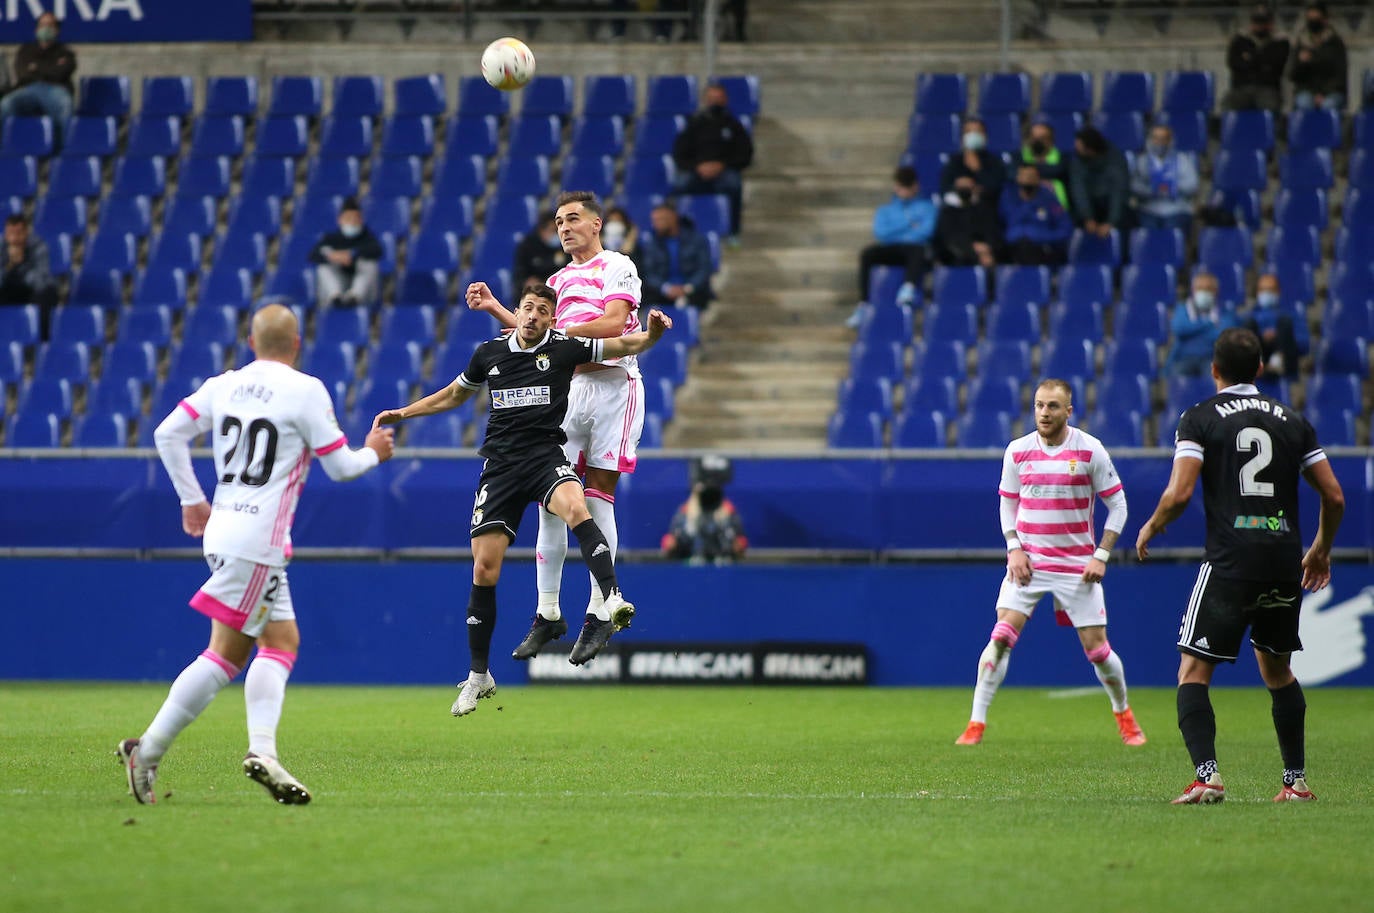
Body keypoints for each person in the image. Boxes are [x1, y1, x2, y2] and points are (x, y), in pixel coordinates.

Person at [118, 304, 396, 806]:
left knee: (279, 641)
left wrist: (191, 498)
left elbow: (167, 433)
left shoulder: (223, 384)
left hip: (225, 527)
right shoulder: (305, 390)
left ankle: (252, 750)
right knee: (226, 654)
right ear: (296, 344)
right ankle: (156, 750)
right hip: (258, 540)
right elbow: (342, 469)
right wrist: (375, 449)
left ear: (250, 342)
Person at [373, 286, 673, 713]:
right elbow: (455, 393)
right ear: (517, 313)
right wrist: (403, 414)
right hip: (500, 468)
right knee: (484, 566)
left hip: (545, 457)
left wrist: (653, 334)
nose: (534, 316)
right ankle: (479, 675)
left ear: (552, 320)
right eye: (528, 308)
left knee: (577, 507)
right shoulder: (489, 353)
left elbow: (628, 342)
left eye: (543, 311)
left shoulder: (566, 347)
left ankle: (611, 598)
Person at [1136, 327, 1345, 804]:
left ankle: (1207, 776)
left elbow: (1180, 492)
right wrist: (1321, 549)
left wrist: (1153, 524)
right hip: (1282, 560)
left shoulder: (1200, 418)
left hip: (1231, 560)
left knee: (1192, 671)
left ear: (1214, 370)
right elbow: (1333, 496)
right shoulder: (1292, 420)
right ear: (1258, 369)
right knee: (1278, 671)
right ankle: (1295, 783)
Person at [466, 190, 646, 664]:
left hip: (613, 386)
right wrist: (498, 312)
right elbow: (536, 343)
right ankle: (548, 611)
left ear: (596, 224)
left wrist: (561, 341)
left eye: (572, 219)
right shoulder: (556, 280)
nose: (564, 227)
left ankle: (599, 610)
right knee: (554, 500)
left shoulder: (617, 266)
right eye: (558, 221)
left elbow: (613, 324)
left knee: (597, 494)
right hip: (569, 390)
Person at [955, 378, 1144, 748]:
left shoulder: (1090, 450)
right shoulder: (1018, 451)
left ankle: (1124, 714)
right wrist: (1014, 548)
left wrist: (1101, 555)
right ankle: (976, 724)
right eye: (1039, 405)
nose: (1044, 412)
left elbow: (1118, 505)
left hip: (1076, 566)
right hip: (1029, 564)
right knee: (1000, 638)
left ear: (1069, 411)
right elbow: (1007, 502)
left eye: (1053, 406)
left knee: (1098, 652)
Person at [672, 82, 754, 242]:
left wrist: (721, 165)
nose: (715, 102)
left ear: (725, 100)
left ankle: (733, 232)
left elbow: (745, 155)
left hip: (724, 172)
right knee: (679, 184)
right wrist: (698, 166)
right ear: (705, 100)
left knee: (734, 184)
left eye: (719, 98)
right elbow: (680, 154)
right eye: (712, 98)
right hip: (696, 172)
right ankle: (681, 231)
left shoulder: (734, 125)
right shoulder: (694, 124)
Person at [855, 165, 936, 309]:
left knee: (918, 250)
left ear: (915, 186)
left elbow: (927, 232)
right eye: (901, 186)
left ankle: (908, 289)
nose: (903, 191)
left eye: (907, 186)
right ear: (895, 186)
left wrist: (896, 234)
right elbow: (881, 234)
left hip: (914, 250)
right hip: (892, 249)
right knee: (867, 254)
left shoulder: (927, 207)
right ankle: (864, 303)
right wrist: (910, 225)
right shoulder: (885, 210)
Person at [0, 13, 75, 150]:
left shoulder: (65, 52)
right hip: (28, 90)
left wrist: (35, 68)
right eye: (42, 25)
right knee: (5, 104)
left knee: (65, 104)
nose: (45, 28)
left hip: (55, 90)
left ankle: (61, 153)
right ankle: (5, 151)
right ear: (36, 29)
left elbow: (62, 73)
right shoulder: (25, 50)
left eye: (50, 25)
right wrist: (51, 68)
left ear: (57, 30)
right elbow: (23, 73)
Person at [660, 454, 748, 565]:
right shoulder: (685, 512)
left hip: (722, 564)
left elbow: (740, 546)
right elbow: (670, 544)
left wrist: (727, 527)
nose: (707, 498)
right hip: (692, 564)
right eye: (703, 493)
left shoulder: (728, 511)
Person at [309, 198, 382, 309]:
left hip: (363, 292)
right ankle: (335, 297)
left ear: (361, 220)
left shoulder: (368, 238)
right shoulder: (331, 239)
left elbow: (378, 251)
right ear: (340, 220)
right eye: (348, 218)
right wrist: (334, 256)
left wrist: (352, 255)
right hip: (338, 287)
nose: (352, 222)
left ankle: (354, 297)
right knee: (323, 265)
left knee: (370, 263)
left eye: (355, 218)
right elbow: (313, 255)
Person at [639, 202, 713, 308]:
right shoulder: (651, 243)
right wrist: (666, 288)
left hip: (692, 292)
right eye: (654, 221)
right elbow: (648, 273)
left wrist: (687, 288)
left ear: (673, 218)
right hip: (661, 293)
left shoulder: (696, 240)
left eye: (660, 220)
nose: (656, 224)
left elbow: (704, 269)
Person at [999, 163, 1072, 267]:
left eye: (1030, 177)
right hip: (1012, 248)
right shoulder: (1008, 197)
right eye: (1023, 176)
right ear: (1017, 178)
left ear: (1038, 178)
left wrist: (1040, 236)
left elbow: (1066, 228)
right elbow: (1001, 224)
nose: (1027, 180)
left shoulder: (1049, 199)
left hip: (1043, 248)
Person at [1165, 272, 1237, 377]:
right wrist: (1209, 323)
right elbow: (1179, 329)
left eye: (1208, 289)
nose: (1203, 292)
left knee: (1217, 378)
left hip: (1212, 359)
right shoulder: (1182, 308)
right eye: (1200, 288)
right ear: (1193, 291)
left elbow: (1224, 336)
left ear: (1216, 291)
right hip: (1183, 358)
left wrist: (1191, 332)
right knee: (1178, 379)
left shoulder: (1225, 311)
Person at [1131, 124, 1200, 233]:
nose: (1159, 142)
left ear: (1169, 141)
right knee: (1146, 231)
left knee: (1172, 227)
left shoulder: (1182, 160)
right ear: (1150, 139)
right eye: (1156, 138)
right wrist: (1152, 190)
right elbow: (1134, 186)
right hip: (1148, 209)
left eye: (1163, 138)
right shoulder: (1142, 161)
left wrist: (1173, 186)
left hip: (1177, 208)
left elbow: (1193, 184)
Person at [1240, 272, 1307, 381]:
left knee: (1284, 323)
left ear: (1278, 292)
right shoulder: (1249, 316)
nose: (1267, 293)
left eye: (1271, 290)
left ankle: (1277, 361)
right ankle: (1257, 364)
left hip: (1285, 362)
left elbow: (1304, 345)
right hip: (1258, 356)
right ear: (1257, 292)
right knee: (1249, 326)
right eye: (1263, 290)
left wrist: (1278, 337)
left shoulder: (1291, 315)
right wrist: (1263, 337)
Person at [1067, 126, 1131, 239]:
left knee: (1125, 217)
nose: (1075, 148)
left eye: (1079, 147)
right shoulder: (1077, 160)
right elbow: (1079, 190)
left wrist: (1111, 222)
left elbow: (1118, 192)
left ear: (1090, 150)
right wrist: (1087, 217)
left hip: (1110, 206)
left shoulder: (1116, 159)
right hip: (1090, 206)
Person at [1224, 5, 1290, 113]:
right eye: (1257, 22)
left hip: (1268, 89)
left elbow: (1277, 67)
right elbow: (1233, 63)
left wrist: (1249, 59)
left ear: (1270, 23)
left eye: (1263, 22)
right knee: (1227, 106)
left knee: (1269, 106)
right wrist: (1262, 62)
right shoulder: (1240, 40)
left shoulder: (1280, 42)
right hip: (1242, 88)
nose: (1260, 26)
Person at [1288, 2, 1347, 111]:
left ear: (1324, 19)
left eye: (1316, 19)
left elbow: (1340, 75)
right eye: (1310, 19)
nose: (1313, 23)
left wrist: (1322, 94)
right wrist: (1302, 63)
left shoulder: (1335, 43)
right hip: (1307, 91)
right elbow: (1292, 75)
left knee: (1328, 106)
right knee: (1304, 103)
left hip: (1331, 92)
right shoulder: (1301, 43)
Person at [933, 174, 1001, 269]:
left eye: (967, 185)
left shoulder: (985, 210)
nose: (964, 189)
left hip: (985, 253)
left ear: (975, 187)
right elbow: (946, 237)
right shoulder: (948, 212)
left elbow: (993, 232)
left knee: (990, 261)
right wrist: (973, 248)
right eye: (961, 186)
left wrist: (987, 248)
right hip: (957, 254)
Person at [0, 214, 58, 324]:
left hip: (31, 292)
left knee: (47, 293)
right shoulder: (1, 246)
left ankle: (41, 338)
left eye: (18, 233)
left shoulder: (39, 246)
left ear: (26, 233)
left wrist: (21, 265)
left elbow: (40, 283)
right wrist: (9, 266)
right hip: (8, 290)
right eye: (10, 234)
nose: (14, 239)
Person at [939, 116, 1006, 202]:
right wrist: (958, 186)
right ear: (962, 137)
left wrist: (978, 170)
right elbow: (944, 188)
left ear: (985, 136)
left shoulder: (995, 161)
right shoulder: (954, 161)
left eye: (977, 132)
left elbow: (997, 189)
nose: (973, 135)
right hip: (957, 209)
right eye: (969, 132)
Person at [513, 213, 570, 292]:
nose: (556, 234)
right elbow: (519, 274)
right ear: (542, 230)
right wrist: (526, 282)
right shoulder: (527, 246)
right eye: (552, 231)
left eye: (558, 230)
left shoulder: (566, 246)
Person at [1020, 120, 1069, 208]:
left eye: (1042, 138)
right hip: (1027, 209)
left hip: (1055, 208)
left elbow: (1060, 170)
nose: (1037, 142)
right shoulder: (1020, 156)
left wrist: (1030, 175)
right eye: (1034, 138)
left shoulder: (1063, 158)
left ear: (1051, 141)